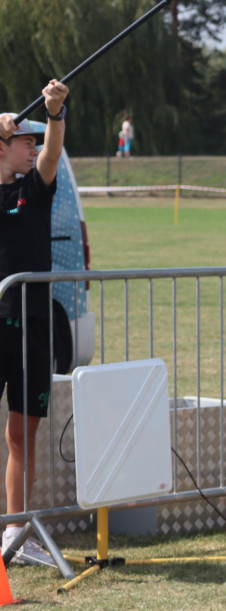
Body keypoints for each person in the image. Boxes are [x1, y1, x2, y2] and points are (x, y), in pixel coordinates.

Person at [0, 79, 69, 568]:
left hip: (35, 324)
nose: (33, 148)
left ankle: (17, 533)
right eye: (25, 140)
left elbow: (52, 154)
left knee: (22, 433)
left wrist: (55, 112)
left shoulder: (35, 188)